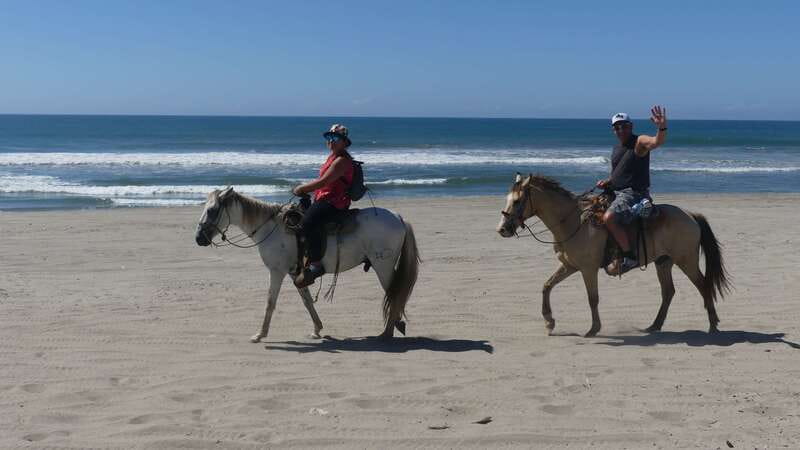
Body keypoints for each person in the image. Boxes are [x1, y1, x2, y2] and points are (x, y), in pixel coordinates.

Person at [597, 106, 668, 275]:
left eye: (624, 126)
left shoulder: (640, 142)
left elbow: (656, 142)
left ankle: (629, 257)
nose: (621, 130)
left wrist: (661, 127)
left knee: (609, 218)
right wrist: (607, 181)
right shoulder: (617, 148)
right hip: (617, 191)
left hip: (634, 194)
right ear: (613, 130)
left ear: (631, 126)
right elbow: (620, 173)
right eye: (617, 127)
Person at [292, 124, 355, 288]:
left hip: (334, 203)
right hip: (323, 198)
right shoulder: (332, 157)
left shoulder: (342, 161)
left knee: (306, 223)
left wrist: (301, 188)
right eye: (329, 138)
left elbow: (324, 182)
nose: (331, 142)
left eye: (335, 139)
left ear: (344, 142)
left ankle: (316, 265)